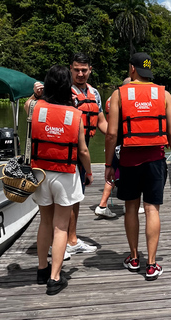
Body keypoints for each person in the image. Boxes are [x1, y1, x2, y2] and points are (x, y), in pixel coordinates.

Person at [104, 52, 171, 281]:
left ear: (132, 69)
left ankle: (134, 257)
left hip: (128, 159)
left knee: (131, 208)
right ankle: (151, 264)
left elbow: (111, 134)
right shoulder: (164, 94)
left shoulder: (119, 94)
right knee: (152, 209)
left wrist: (109, 164)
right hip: (156, 160)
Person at [26, 65, 93, 295]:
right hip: (64, 173)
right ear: (68, 86)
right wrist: (89, 172)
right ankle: (55, 278)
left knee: (45, 222)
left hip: (40, 173)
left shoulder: (35, 107)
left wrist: (37, 94)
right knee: (60, 226)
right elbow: (83, 151)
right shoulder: (75, 115)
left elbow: (28, 104)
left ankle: (42, 270)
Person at [67, 52, 107, 254]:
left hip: (83, 150)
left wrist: (122, 135)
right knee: (66, 198)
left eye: (84, 70)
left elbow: (101, 122)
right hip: (65, 151)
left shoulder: (95, 93)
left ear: (90, 70)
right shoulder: (64, 91)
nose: (80, 73)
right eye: (77, 70)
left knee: (76, 197)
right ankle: (65, 241)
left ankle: (71, 240)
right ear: (71, 69)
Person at [95, 77, 131, 218]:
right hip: (123, 142)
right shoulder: (124, 100)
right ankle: (127, 205)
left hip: (112, 141)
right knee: (127, 174)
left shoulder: (111, 99)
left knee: (114, 174)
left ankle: (103, 204)